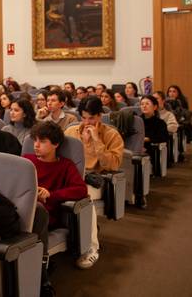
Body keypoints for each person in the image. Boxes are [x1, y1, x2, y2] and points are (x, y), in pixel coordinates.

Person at [22, 121, 88, 296]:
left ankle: (42, 278)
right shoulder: (26, 160)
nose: (36, 145)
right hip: (22, 208)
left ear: (56, 144)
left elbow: (81, 189)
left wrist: (51, 194)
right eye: (35, 140)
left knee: (38, 210)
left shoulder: (65, 165)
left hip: (46, 215)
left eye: (42, 141)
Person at [64, 96, 124, 269]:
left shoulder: (111, 135)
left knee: (84, 197)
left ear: (100, 116)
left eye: (92, 118)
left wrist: (97, 140)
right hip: (73, 177)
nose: (87, 122)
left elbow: (112, 165)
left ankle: (91, 248)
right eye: (84, 117)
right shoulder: (71, 132)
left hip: (97, 180)